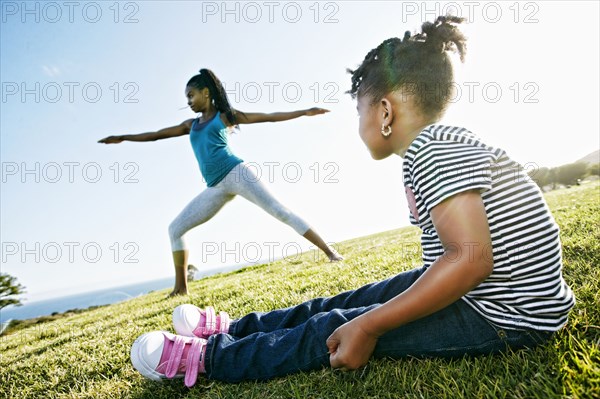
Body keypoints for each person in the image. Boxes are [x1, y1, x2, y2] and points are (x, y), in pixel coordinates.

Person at [130, 16, 575, 385]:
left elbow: (469, 260)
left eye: (359, 109)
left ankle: (209, 359)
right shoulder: (435, 146)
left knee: (335, 326)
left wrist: (370, 324)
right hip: (489, 294)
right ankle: (234, 329)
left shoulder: (433, 151)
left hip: (506, 315)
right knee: (347, 299)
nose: (357, 121)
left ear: (384, 111)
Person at [99, 69, 343, 297]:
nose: (188, 101)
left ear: (206, 93)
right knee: (175, 229)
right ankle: (180, 288)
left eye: (191, 95)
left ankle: (330, 252)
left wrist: (302, 112)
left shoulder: (225, 116)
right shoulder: (190, 125)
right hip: (215, 187)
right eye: (186, 97)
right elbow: (155, 135)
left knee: (280, 211)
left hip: (237, 173)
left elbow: (267, 118)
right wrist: (123, 137)